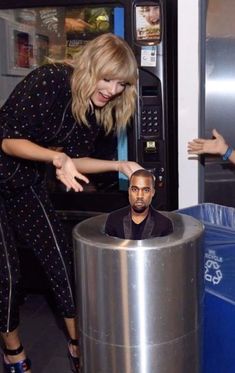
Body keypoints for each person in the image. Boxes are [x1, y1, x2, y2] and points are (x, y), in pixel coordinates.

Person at [0, 33, 142, 373]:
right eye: (107, 78)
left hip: (24, 181)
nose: (112, 90)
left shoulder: (93, 106)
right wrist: (56, 157)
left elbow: (75, 159)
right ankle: (15, 356)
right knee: (7, 274)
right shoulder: (49, 80)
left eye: (121, 83)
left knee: (63, 260)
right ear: (90, 66)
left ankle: (79, 348)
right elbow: (7, 141)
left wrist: (118, 165)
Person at [105, 169, 173, 240]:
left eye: (146, 190)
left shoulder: (164, 224)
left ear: (152, 193)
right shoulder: (114, 219)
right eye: (135, 189)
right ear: (129, 191)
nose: (139, 196)